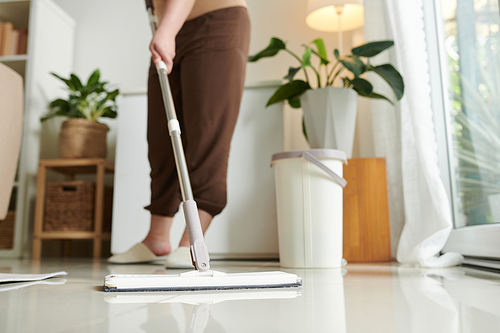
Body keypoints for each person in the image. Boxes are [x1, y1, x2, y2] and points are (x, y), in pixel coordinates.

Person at [108, 0, 250, 267]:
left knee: (208, 134)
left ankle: (192, 242)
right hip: (171, 27)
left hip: (216, 20)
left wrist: (167, 29)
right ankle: (157, 239)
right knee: (162, 139)